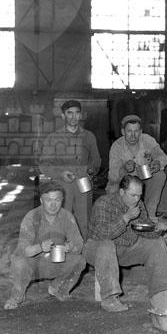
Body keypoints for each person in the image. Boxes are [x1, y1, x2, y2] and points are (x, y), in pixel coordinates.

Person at [84, 174, 167, 312]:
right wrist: (125, 218)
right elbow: (103, 234)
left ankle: (161, 295)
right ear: (121, 192)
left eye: (139, 195)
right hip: (97, 250)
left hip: (124, 249)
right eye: (133, 195)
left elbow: (144, 230)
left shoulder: (138, 205)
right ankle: (110, 298)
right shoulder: (104, 203)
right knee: (107, 245)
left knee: (157, 244)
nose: (137, 199)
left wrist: (157, 229)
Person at [4, 180, 86, 310]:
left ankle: (58, 288)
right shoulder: (31, 217)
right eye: (48, 200)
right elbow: (24, 250)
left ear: (62, 200)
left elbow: (79, 243)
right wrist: (40, 247)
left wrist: (70, 247)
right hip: (32, 263)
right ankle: (17, 296)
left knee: (79, 261)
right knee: (19, 262)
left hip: (55, 261)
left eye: (57, 200)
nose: (53, 205)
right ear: (41, 201)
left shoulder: (67, 216)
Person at [39, 99, 102, 237]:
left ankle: (82, 247)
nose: (74, 117)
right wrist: (60, 173)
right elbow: (44, 164)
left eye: (77, 113)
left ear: (81, 115)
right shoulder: (53, 138)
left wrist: (91, 170)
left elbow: (96, 160)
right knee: (61, 218)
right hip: (62, 184)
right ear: (63, 115)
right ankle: (60, 246)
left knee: (84, 218)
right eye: (69, 113)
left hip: (83, 182)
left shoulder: (89, 136)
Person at [107, 114, 167, 219]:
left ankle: (149, 215)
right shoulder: (116, 147)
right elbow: (112, 176)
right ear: (123, 132)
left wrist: (158, 163)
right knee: (113, 189)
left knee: (160, 175)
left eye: (136, 131)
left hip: (145, 179)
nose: (133, 135)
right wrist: (124, 169)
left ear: (140, 131)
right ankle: (121, 217)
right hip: (125, 181)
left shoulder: (148, 140)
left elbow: (162, 156)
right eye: (129, 131)